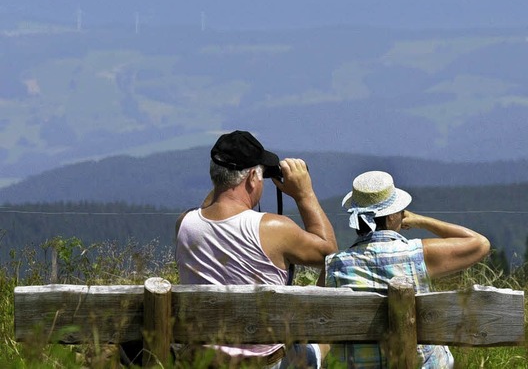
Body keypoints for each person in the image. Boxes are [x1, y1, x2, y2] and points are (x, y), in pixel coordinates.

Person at [175, 130, 338, 368]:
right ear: (252, 177)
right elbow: (330, 256)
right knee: (320, 343)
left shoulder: (184, 224)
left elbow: (211, 207)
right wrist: (304, 194)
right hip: (266, 364)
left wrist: (224, 180)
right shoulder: (274, 229)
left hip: (202, 361)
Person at [324, 171, 491, 369]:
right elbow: (480, 244)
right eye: (401, 209)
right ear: (394, 215)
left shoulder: (335, 265)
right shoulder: (418, 254)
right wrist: (421, 220)